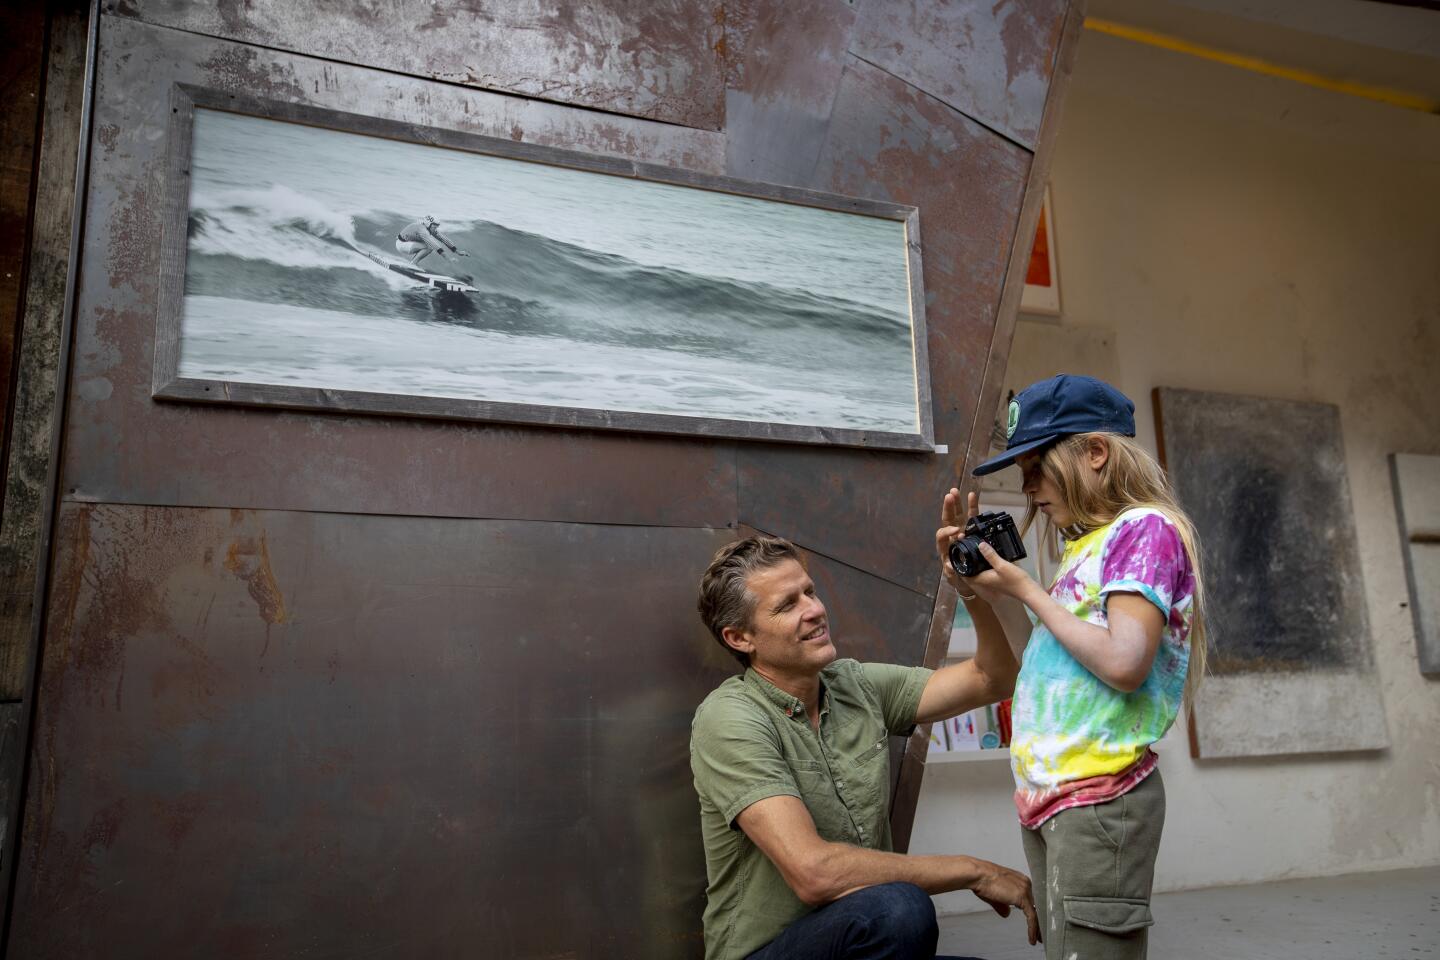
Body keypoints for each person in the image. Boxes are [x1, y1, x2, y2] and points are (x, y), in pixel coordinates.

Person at [690, 530, 1041, 960]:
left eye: (810, 592)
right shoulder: (730, 718)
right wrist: (975, 871)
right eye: (788, 605)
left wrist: (967, 589)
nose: (816, 610)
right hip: (769, 950)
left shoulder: (854, 684)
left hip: (859, 938)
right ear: (740, 638)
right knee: (898, 908)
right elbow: (814, 873)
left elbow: (993, 678)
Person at [952, 373, 1209, 960]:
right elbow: (1034, 661)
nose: (1029, 487)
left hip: (1101, 795)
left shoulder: (1144, 529)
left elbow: (1124, 663)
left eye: (1038, 466)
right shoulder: (1085, 548)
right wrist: (989, 592)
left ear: (1095, 453)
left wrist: (1030, 590)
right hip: (1053, 797)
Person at [395, 215, 470, 268]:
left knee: (429, 247)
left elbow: (443, 239)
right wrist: (448, 259)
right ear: (429, 224)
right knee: (430, 246)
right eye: (435, 226)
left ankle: (412, 263)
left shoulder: (429, 228)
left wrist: (457, 252)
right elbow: (435, 245)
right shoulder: (421, 229)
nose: (435, 228)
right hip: (401, 244)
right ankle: (412, 264)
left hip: (408, 244)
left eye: (437, 226)